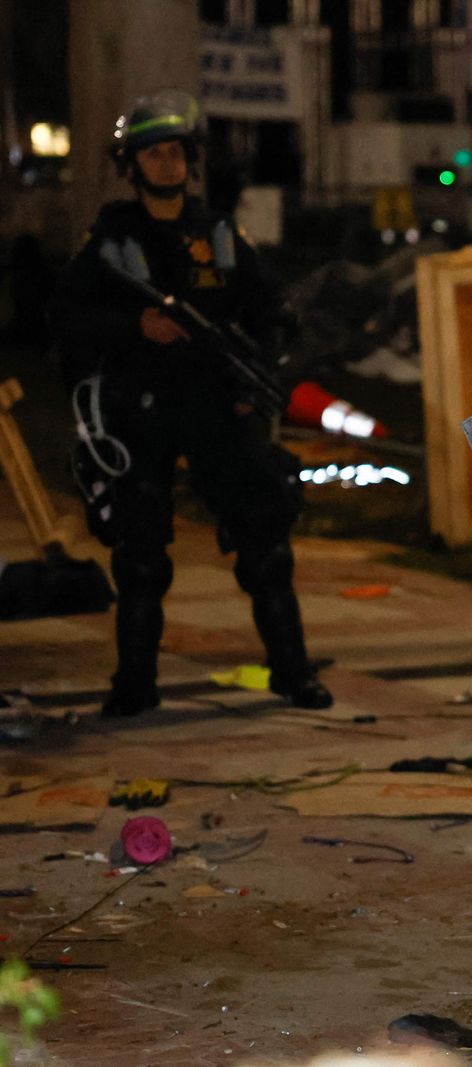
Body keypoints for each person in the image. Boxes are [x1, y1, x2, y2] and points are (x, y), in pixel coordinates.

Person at [49, 90, 329, 717]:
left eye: (177, 153)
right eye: (154, 154)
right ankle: (134, 685)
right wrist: (135, 327)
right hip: (141, 411)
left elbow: (271, 312)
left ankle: (292, 672)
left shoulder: (221, 233)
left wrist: (253, 373)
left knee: (265, 544)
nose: (168, 164)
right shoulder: (112, 240)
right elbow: (67, 319)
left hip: (216, 407)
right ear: (132, 165)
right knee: (141, 559)